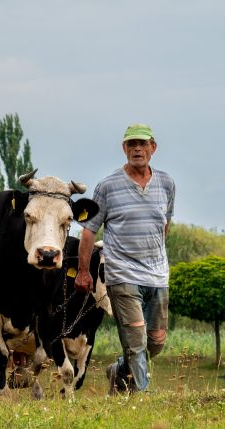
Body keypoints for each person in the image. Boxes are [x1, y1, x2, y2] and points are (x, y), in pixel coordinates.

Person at [75, 123, 175, 395]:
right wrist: (84, 272)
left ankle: (118, 369)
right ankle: (140, 396)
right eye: (132, 145)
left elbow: (164, 224)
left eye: (142, 144)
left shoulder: (166, 183)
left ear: (153, 148)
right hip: (122, 274)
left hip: (157, 274)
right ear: (124, 149)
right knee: (135, 339)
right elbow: (88, 232)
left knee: (155, 342)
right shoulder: (107, 186)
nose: (137, 149)